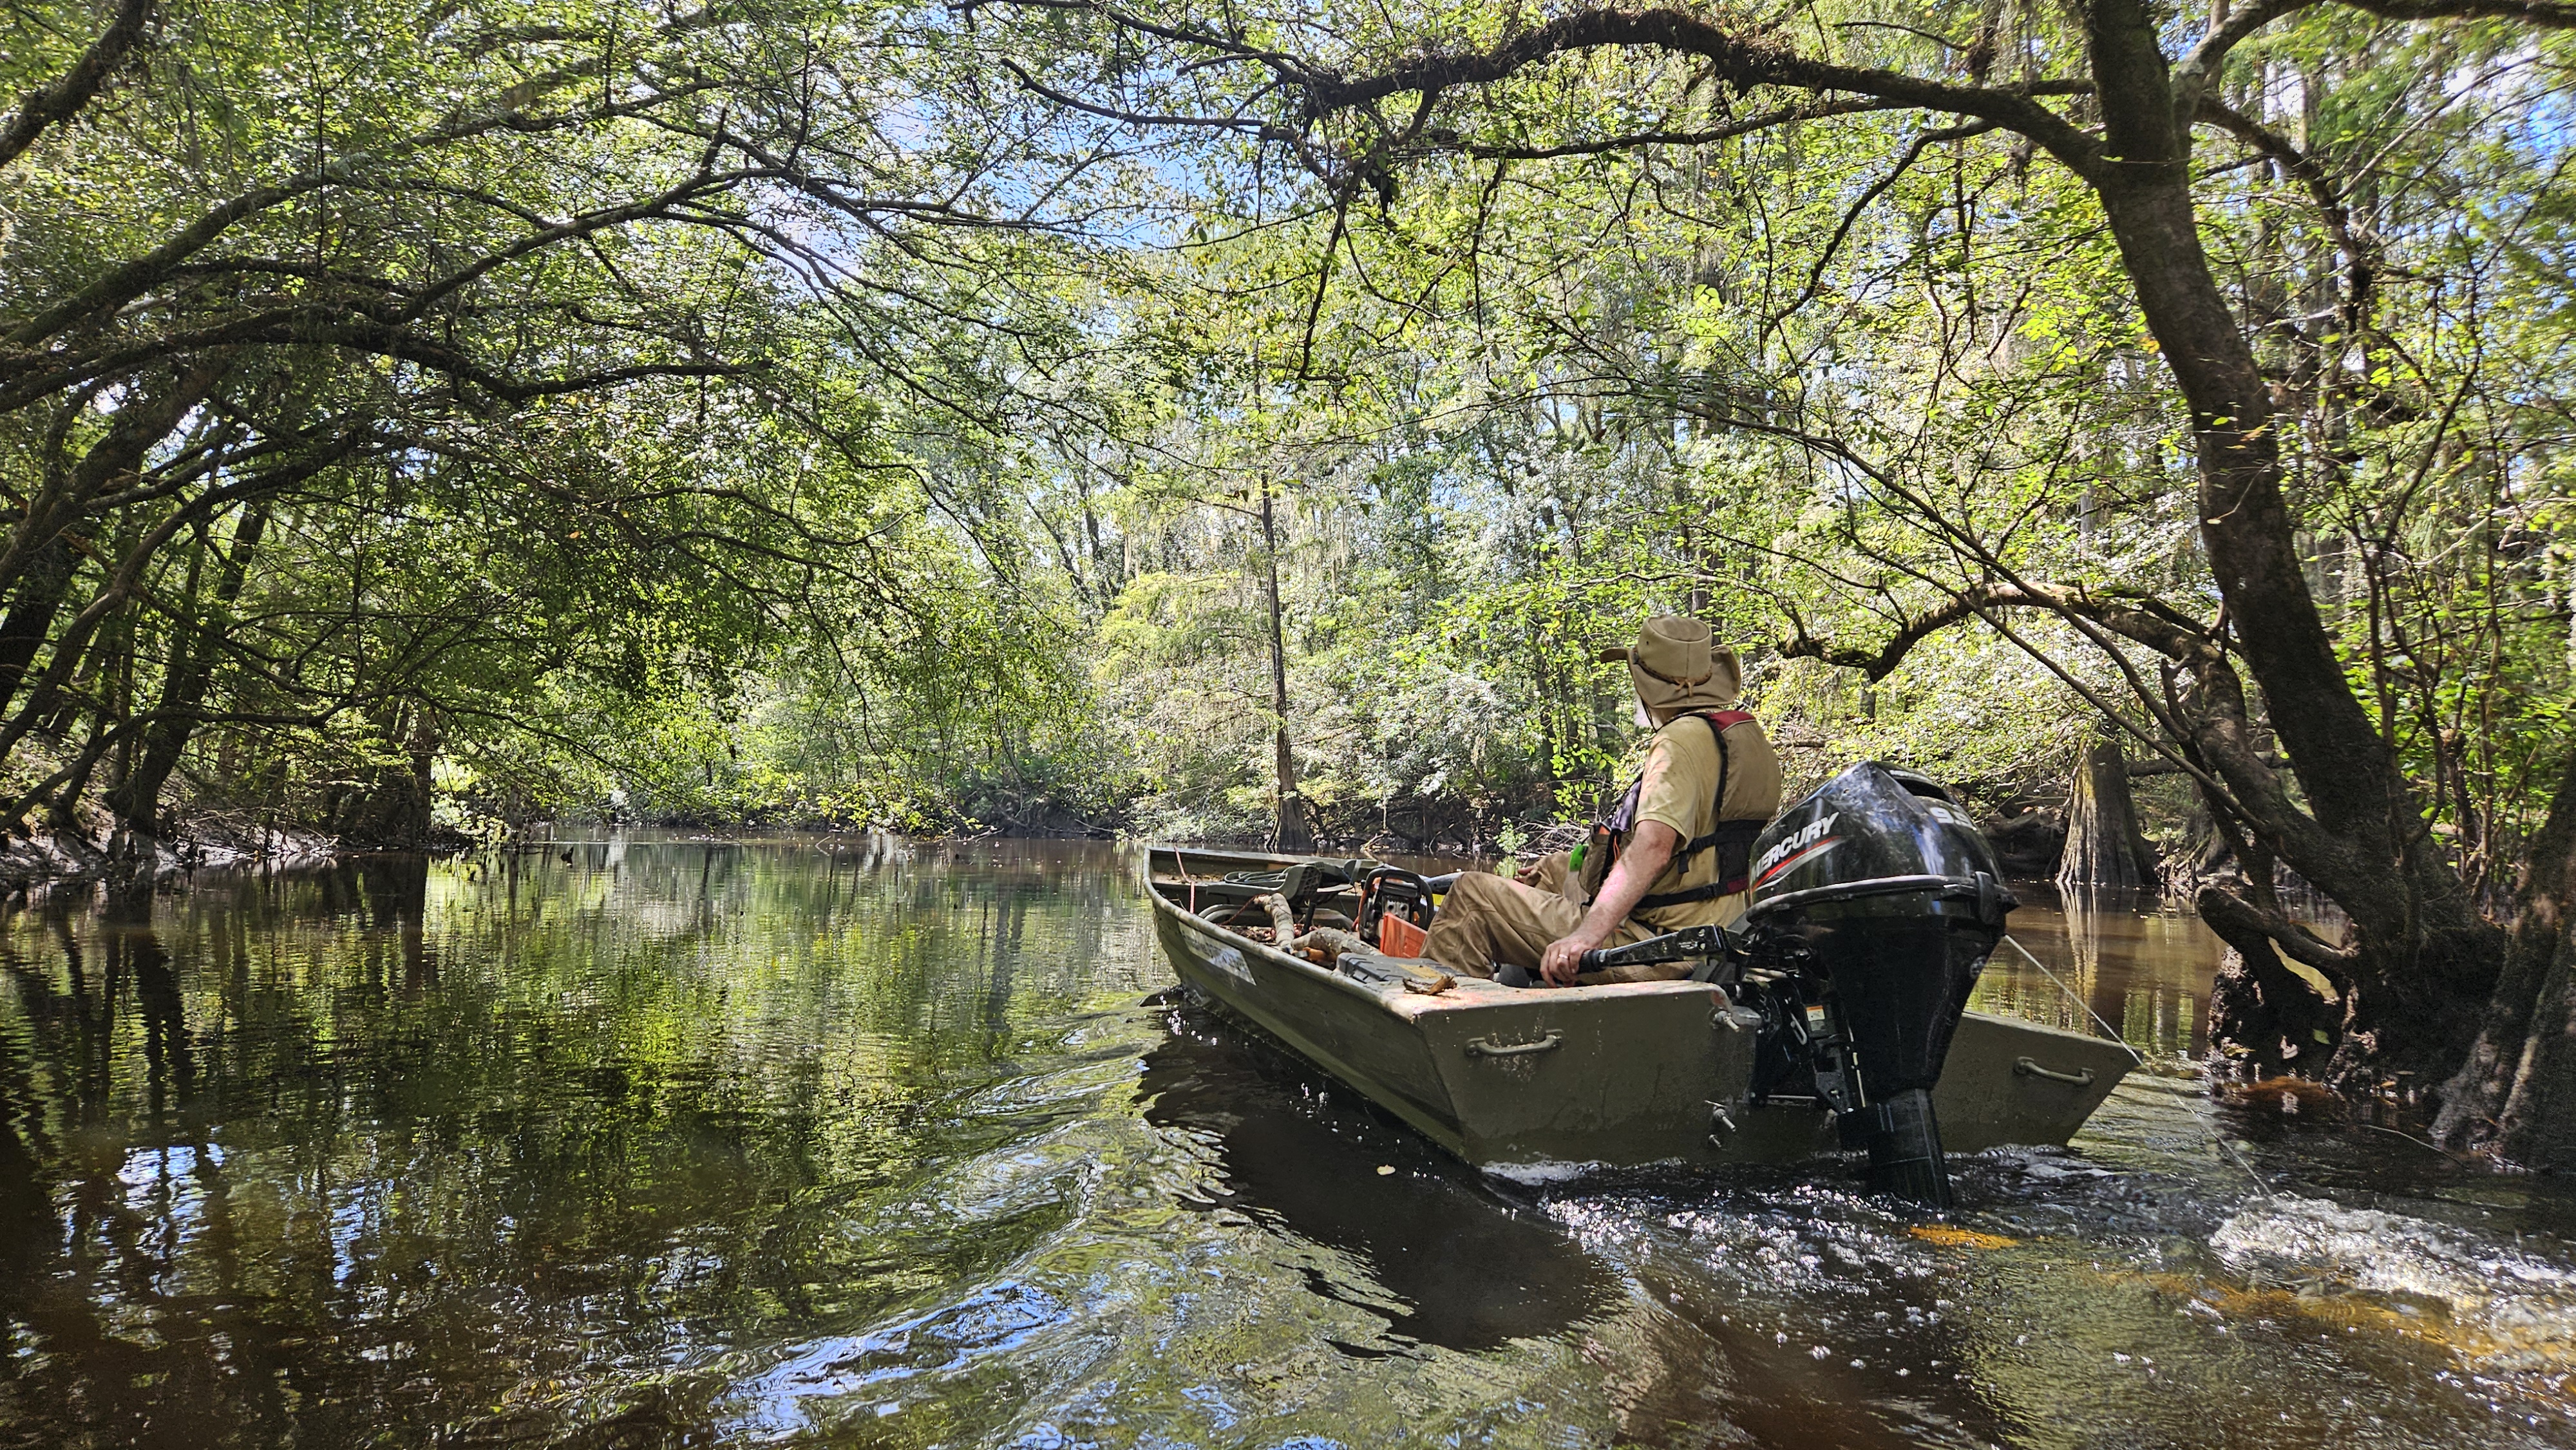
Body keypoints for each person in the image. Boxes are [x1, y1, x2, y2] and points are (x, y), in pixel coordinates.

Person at [1422, 615, 1783, 986]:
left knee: (1470, 895)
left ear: (1646, 687)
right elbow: (1697, 853)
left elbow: (1653, 848)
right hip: (1717, 930)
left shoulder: (1677, 743)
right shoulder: (1745, 736)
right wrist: (1561, 869)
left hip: (1660, 946)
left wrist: (1585, 937)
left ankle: (1446, 1023)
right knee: (1552, 870)